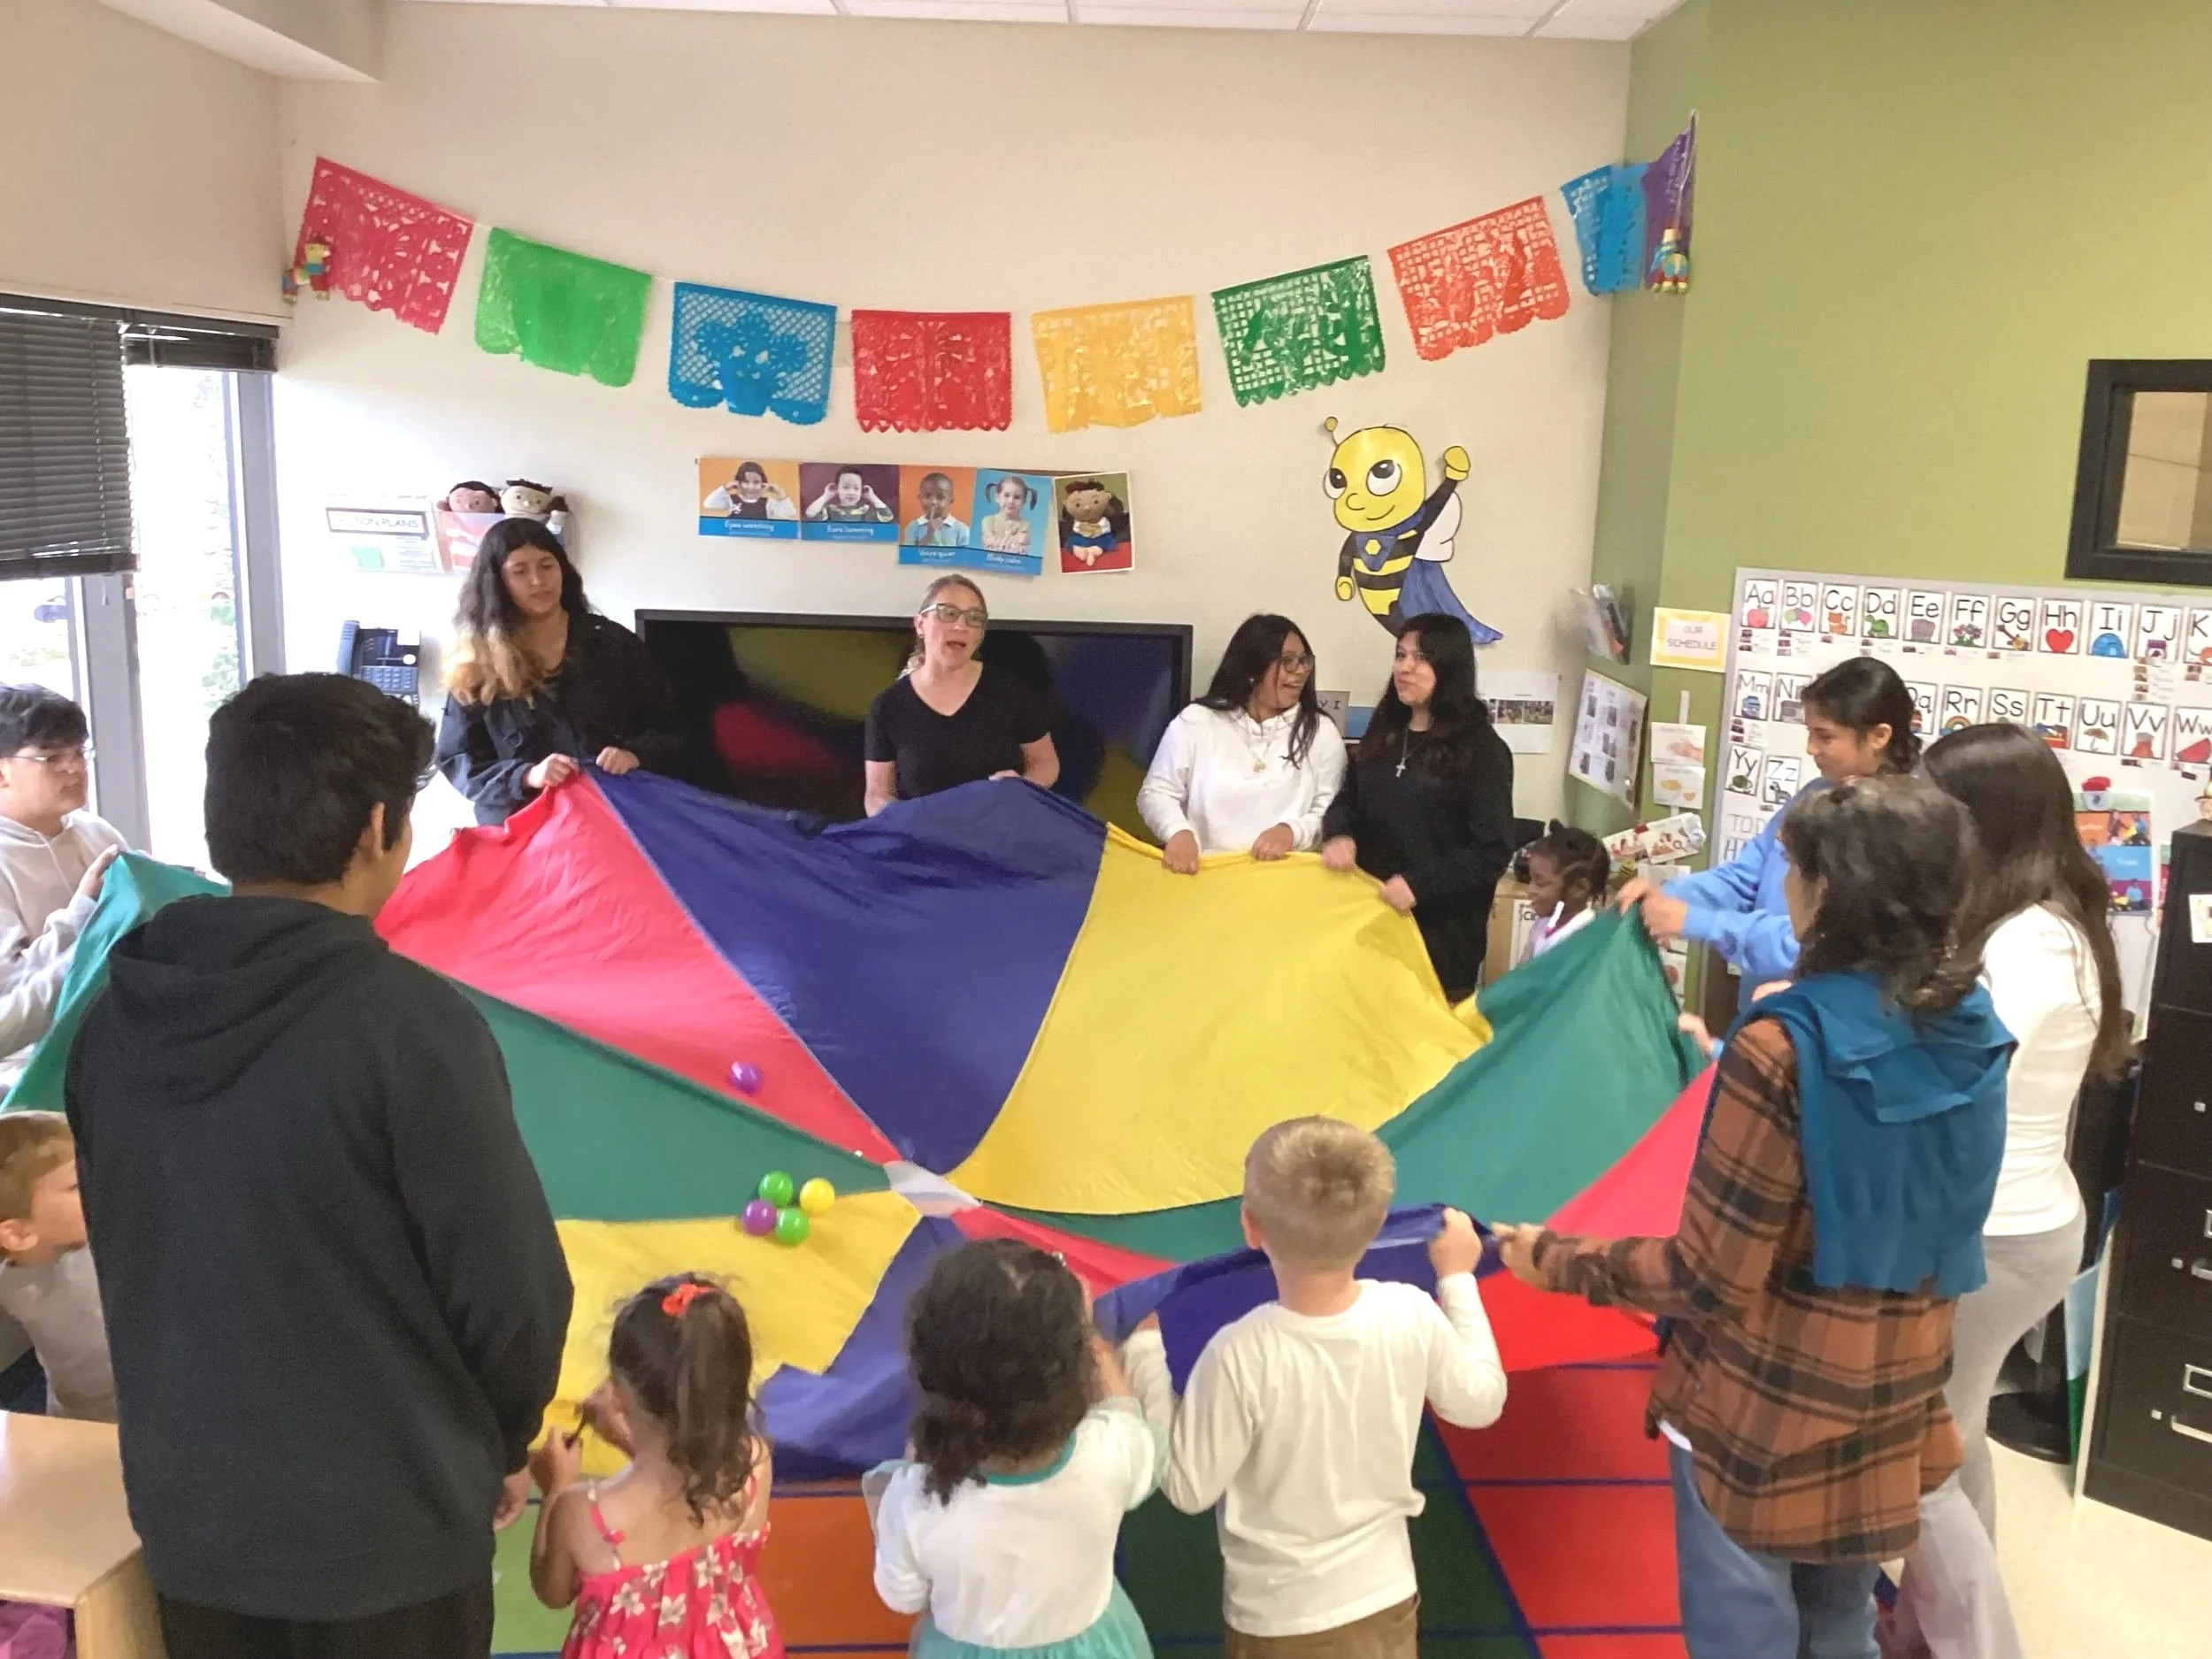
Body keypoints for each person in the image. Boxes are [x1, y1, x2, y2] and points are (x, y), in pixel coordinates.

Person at [65, 672, 573, 1659]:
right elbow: (512, 1294)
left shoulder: (112, 1023)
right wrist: (499, 1444)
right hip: (388, 1544)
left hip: (196, 1527)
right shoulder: (411, 1028)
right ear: (377, 829)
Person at [1494, 777, 2013, 1659]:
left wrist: (1554, 1258)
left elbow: (1707, 1274)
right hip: (1892, 1382)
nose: (1786, 885)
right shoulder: (1971, 1024)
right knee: (1837, 1617)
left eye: (1797, 868)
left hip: (1762, 1402)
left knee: (1746, 1622)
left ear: (1830, 892)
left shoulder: (1784, 1047)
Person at [1885, 725, 2133, 1659]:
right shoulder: (2025, 920)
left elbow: (1957, 1072)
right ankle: (1926, 1628)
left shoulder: (2030, 943)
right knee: (1953, 1432)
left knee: (1918, 1456)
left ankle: (1976, 1645)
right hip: (2006, 1222)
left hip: (1995, 1234)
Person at [1123, 1119, 1505, 1657]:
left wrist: (1143, 1355)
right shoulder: (1410, 1312)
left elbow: (1188, 1486)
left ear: (1251, 1228)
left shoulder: (1240, 1352)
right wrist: (1458, 1279)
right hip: (1385, 1597)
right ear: (1376, 1227)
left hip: (1279, 1619)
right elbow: (1480, 1401)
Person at [866, 1239, 1160, 1659]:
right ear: (1071, 1376)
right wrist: (1090, 1338)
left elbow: (902, 1595)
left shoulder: (917, 1497)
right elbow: (1126, 1411)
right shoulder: (1109, 1453)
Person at [1617, 657, 1916, 1008]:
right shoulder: (1816, 793)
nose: (1811, 748)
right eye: (1809, 732)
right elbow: (1747, 876)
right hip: (1763, 1015)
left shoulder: (1899, 826)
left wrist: (1697, 922)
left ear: (1879, 736)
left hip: (1821, 1025)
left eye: (1825, 736)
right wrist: (1668, 898)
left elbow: (1821, 942)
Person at [529, 1274, 781, 1659]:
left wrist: (555, 1487)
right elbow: (681, 1485)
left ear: (620, 1396)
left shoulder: (582, 1513)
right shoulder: (755, 1464)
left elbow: (552, 1590)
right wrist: (631, 1443)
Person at [435, 518, 682, 826]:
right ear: (497, 582)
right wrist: (526, 776)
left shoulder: (613, 644)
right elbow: (457, 760)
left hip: (610, 820)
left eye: (547, 566)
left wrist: (633, 755)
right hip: (521, 826)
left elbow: (671, 730)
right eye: (520, 571)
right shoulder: (475, 661)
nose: (538, 581)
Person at [1320, 613, 1517, 1002]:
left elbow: (1491, 850)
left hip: (1438, 943)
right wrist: (1339, 833)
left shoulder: (1482, 750)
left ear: (1449, 669)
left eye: (1420, 658)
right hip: (1370, 929)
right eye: (1400, 655)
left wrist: (1419, 885)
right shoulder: (1386, 732)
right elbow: (1348, 800)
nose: (1404, 668)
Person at [1138, 614, 1347, 874]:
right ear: (1253, 669)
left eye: (1304, 661)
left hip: (1288, 885)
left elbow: (1334, 812)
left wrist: (1292, 832)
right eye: (1288, 662)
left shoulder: (1320, 732)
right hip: (1206, 879)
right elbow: (1157, 792)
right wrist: (1178, 833)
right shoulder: (1198, 721)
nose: (1301, 671)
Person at [0, 686, 125, 1074]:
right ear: (2, 772)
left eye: (78, 753)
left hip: (118, 1041)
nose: (74, 768)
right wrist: (84, 912)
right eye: (52, 757)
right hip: (31, 1070)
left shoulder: (96, 832)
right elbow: (11, 994)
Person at [863, 579, 1059, 814]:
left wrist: (1023, 785)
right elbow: (876, 795)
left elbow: (1046, 764)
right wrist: (901, 821)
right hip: (922, 842)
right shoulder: (887, 707)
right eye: (948, 613)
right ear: (920, 624)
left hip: (998, 837)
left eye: (974, 618)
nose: (961, 626)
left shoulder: (1010, 691)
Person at [0, 1112, 111, 1421]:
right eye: (76, 1184)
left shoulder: (10, 1281)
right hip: (109, 1422)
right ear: (18, 1233)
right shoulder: (96, 1258)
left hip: (77, 1417)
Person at [1518, 822, 1611, 963]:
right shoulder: (1542, 924)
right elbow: (1520, 976)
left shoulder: (1585, 938)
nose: (1530, 890)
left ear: (1579, 888)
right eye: (1531, 879)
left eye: (1540, 882)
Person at [703, 462, 797, 522]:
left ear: (763, 484)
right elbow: (708, 504)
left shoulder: (768, 502)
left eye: (756, 482)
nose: (751, 487)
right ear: (738, 483)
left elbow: (790, 514)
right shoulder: (731, 500)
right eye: (746, 482)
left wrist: (779, 493)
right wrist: (725, 488)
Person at [902, 472, 971, 547]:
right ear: (920, 498)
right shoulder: (913, 527)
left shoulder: (961, 529)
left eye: (940, 497)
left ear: (951, 500)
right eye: (927, 496)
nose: (933, 502)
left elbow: (965, 557)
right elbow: (910, 555)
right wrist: (930, 533)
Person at [806, 467, 894, 524]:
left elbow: (888, 517)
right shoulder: (831, 510)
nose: (851, 493)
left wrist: (872, 497)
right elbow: (810, 514)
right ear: (837, 488)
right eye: (845, 487)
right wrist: (826, 496)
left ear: (861, 490)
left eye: (856, 488)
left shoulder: (866, 510)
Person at [978, 475, 1035, 554]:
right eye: (1006, 495)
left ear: (1024, 502)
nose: (1011, 501)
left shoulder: (1024, 524)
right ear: (997, 497)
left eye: (1017, 497)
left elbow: (1023, 541)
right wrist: (1012, 541)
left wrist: (1000, 542)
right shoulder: (989, 520)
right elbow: (988, 541)